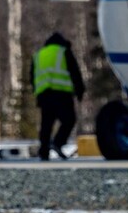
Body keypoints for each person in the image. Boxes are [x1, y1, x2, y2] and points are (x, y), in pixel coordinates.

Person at [30, 32, 86, 161]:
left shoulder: (39, 54)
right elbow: (74, 71)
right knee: (69, 120)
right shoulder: (63, 51)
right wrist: (80, 90)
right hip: (62, 93)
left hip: (44, 94)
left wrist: (36, 91)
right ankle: (58, 142)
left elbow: (32, 75)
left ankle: (44, 152)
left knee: (46, 124)